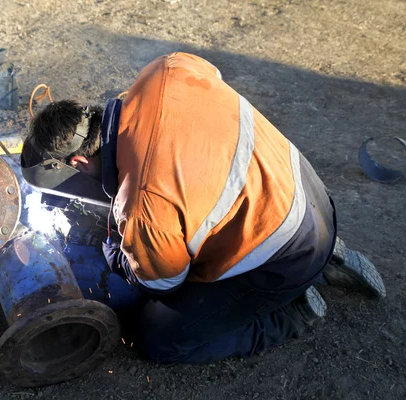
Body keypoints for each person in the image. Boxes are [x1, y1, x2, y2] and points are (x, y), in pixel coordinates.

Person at [22, 52, 386, 364]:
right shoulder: (167, 69)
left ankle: (291, 312)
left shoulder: (144, 207)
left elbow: (162, 285)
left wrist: (117, 252)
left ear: (79, 163)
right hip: (306, 193)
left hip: (286, 254)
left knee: (156, 337)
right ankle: (327, 254)